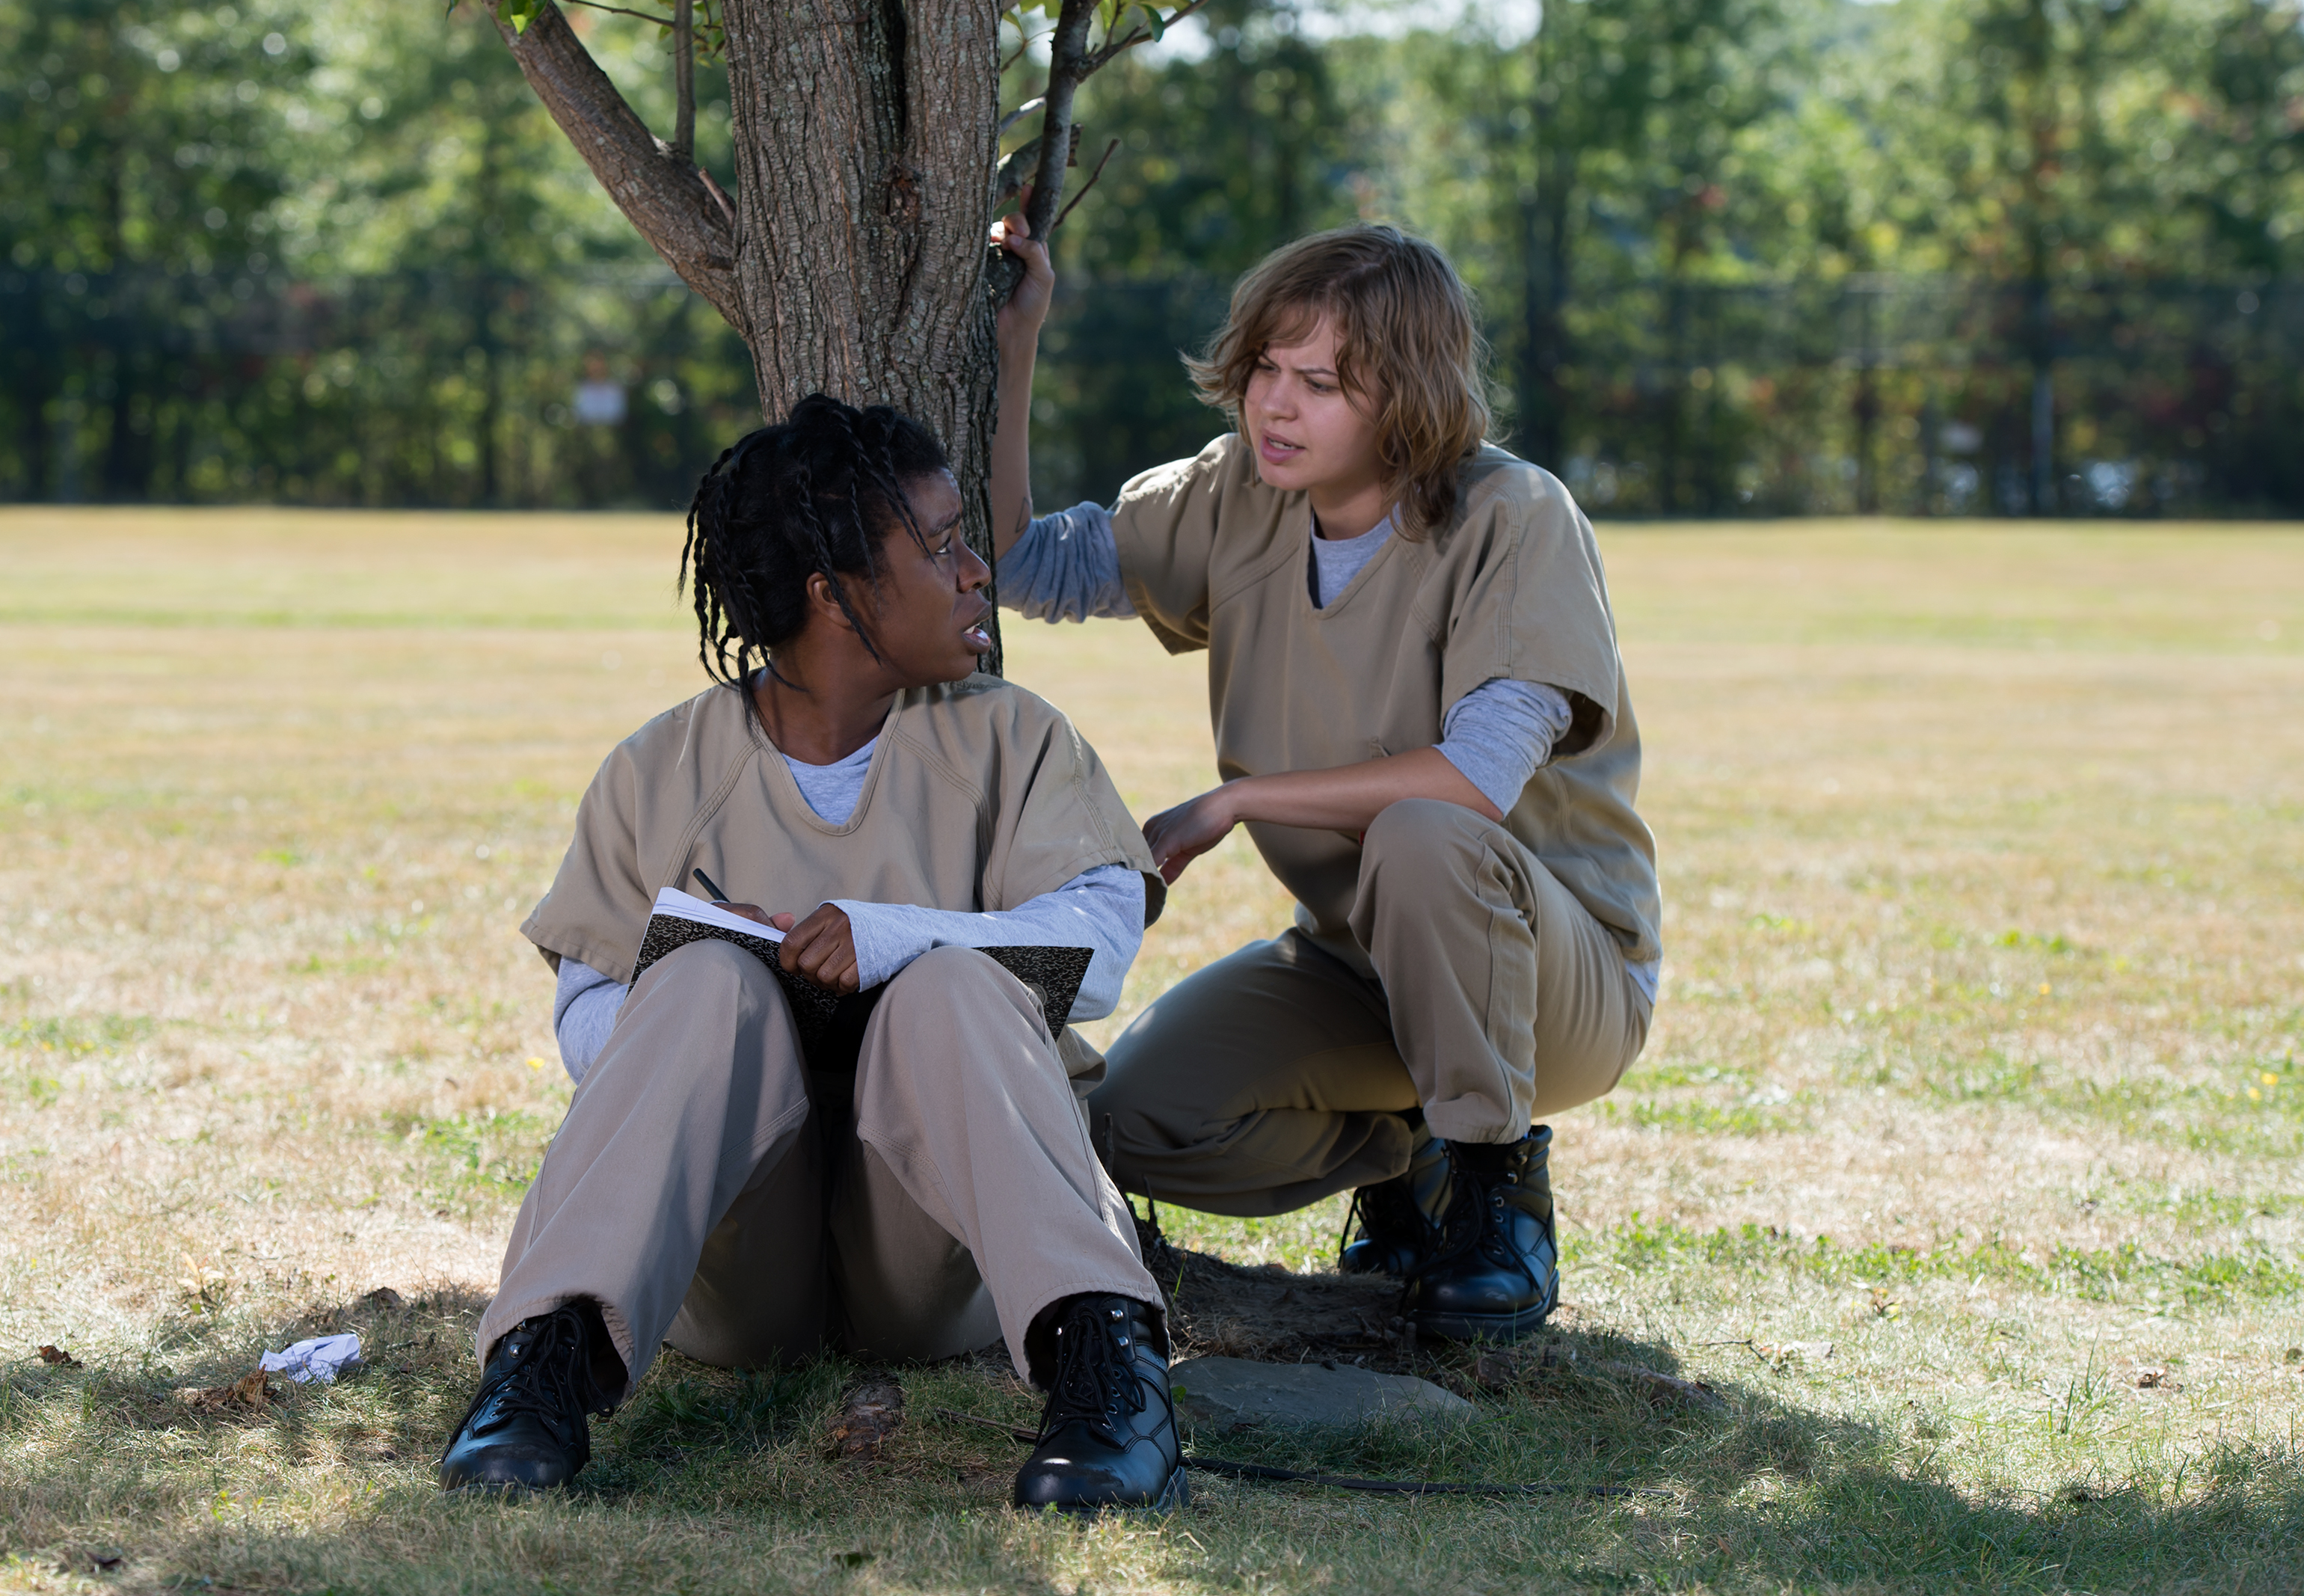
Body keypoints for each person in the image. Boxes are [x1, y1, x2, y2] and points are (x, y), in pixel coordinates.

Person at [440, 394, 1185, 1511]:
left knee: (949, 988)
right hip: (736, 1258)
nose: (979, 570)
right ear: (832, 595)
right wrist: (750, 1011)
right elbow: (587, 1026)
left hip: (937, 1255)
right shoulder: (659, 771)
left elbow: (1102, 951)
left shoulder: (1014, 736)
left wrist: (890, 941)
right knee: (695, 982)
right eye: (939, 547)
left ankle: (1110, 1377)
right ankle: (540, 1367)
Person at [983, 217, 1660, 1342]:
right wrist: (1017, 345)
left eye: (1323, 382)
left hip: (1555, 983)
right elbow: (1022, 566)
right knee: (1136, 1120)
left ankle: (1496, 1202)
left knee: (1422, 833)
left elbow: (1474, 784)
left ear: (1406, 397)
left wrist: (1236, 800)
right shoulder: (1240, 495)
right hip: (1360, 968)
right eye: (1265, 368)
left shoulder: (1516, 519)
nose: (1274, 405)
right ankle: (1413, 1154)